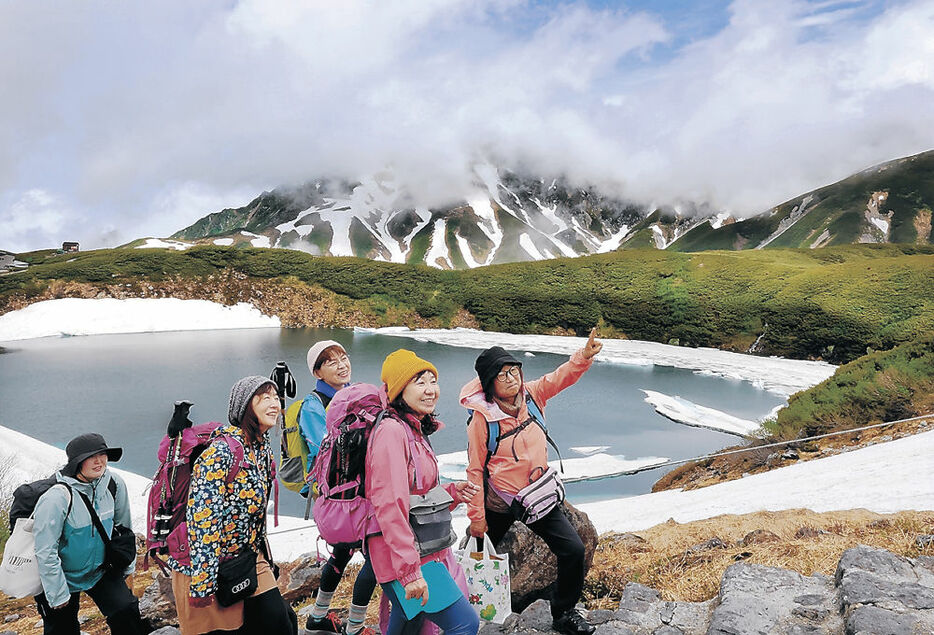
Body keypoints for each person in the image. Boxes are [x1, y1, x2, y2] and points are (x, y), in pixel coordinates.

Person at [459, 329, 603, 635]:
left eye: (514, 370)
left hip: (535, 497)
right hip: (499, 502)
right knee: (471, 558)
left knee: (573, 550)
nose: (511, 378)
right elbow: (474, 470)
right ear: (489, 383)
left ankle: (563, 614)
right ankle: (457, 611)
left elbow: (560, 377)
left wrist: (584, 356)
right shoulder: (482, 420)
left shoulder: (533, 396)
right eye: (502, 374)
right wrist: (478, 518)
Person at [366, 349, 481, 635]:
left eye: (433, 380)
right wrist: (409, 573)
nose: (431, 390)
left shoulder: (414, 429)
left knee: (410, 626)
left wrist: (452, 492)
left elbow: (416, 492)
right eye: (420, 382)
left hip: (416, 549)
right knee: (465, 624)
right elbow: (389, 505)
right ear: (399, 390)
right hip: (404, 556)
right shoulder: (392, 432)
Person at [172, 376, 296, 635]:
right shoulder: (220, 453)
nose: (274, 403)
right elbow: (203, 520)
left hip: (246, 557)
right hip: (208, 565)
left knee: (282, 620)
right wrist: (203, 585)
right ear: (244, 407)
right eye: (263, 398)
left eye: (275, 397)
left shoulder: (261, 448)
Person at [33, 432, 150, 634]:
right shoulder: (56, 498)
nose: (99, 461)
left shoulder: (113, 484)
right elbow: (45, 550)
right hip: (63, 576)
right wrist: (58, 594)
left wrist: (127, 567)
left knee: (126, 612)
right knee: (62, 629)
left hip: (101, 569)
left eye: (103, 454)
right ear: (77, 463)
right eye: (91, 456)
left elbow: (124, 530)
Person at [300, 340, 378, 635]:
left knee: (342, 553)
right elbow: (326, 444)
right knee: (375, 555)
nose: (342, 364)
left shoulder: (356, 392)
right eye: (331, 362)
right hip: (338, 495)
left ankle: (318, 617)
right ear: (317, 372)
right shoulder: (314, 404)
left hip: (358, 490)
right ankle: (355, 627)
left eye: (343, 357)